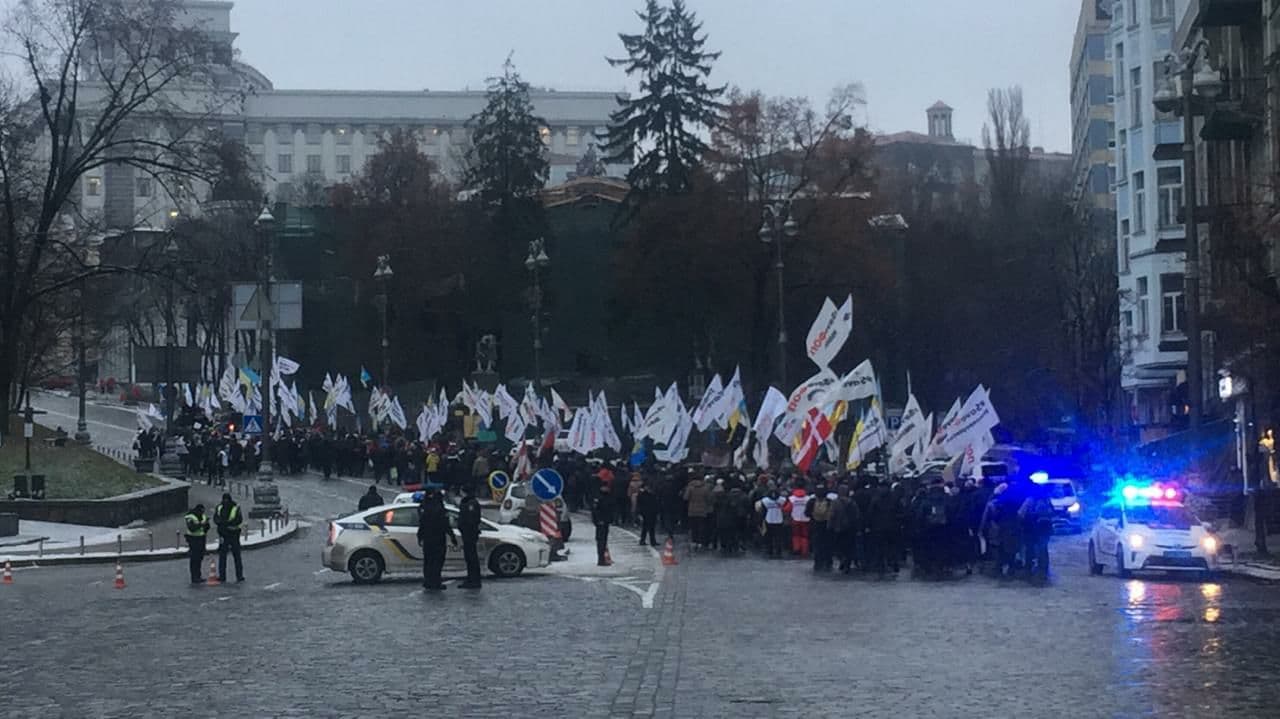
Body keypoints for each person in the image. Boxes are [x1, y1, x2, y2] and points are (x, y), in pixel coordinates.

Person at [417, 489, 456, 590]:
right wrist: (452, 536)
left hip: (427, 538)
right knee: (437, 561)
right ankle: (436, 581)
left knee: (428, 561)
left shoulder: (424, 507)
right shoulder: (440, 509)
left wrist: (420, 536)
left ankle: (428, 581)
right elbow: (446, 525)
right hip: (438, 538)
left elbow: (422, 524)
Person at [213, 492, 245, 583]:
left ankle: (239, 576)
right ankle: (222, 576)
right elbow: (215, 518)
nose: (225, 501)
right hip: (223, 535)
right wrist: (222, 524)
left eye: (227, 499)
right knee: (222, 556)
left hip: (233, 534)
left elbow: (239, 520)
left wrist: (225, 524)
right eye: (224, 499)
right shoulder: (219, 507)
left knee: (236, 556)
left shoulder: (236, 507)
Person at [457, 484, 483, 589]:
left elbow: (471, 519)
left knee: (472, 557)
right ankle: (471, 578)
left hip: (470, 534)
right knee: (469, 557)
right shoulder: (467, 502)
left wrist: (465, 528)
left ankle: (474, 579)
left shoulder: (470, 503)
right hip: (467, 534)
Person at [683, 474, 712, 550]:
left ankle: (694, 541)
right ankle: (700, 542)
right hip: (702, 510)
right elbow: (709, 499)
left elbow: (685, 497)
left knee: (693, 527)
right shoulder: (705, 488)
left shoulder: (690, 488)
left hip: (692, 510)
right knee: (702, 527)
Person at [183, 503, 211, 584]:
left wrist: (206, 525)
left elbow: (206, 528)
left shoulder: (203, 516)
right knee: (194, 559)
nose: (203, 512)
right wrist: (201, 524)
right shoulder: (191, 517)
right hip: (193, 539)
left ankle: (198, 576)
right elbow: (192, 528)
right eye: (202, 511)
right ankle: (194, 577)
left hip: (201, 539)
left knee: (199, 558)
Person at [592, 482, 615, 566]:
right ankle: (601, 560)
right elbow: (595, 511)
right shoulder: (598, 497)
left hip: (606, 522)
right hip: (601, 522)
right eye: (606, 487)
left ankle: (603, 559)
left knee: (604, 541)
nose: (608, 489)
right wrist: (598, 520)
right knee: (601, 541)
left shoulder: (608, 496)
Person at [760, 489, 787, 558]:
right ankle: (778, 551)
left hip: (769, 519)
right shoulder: (782, 500)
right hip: (779, 519)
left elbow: (762, 510)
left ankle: (770, 550)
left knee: (769, 536)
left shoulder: (765, 500)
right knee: (778, 537)